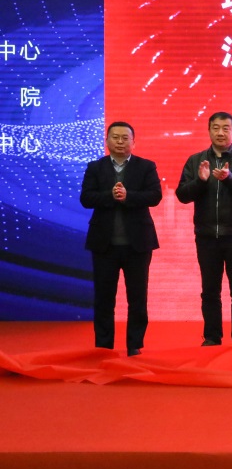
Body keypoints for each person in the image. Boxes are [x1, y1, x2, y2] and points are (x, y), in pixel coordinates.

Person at [175, 112, 232, 346]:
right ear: (209, 131)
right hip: (206, 236)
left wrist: (230, 178)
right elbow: (182, 195)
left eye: (225, 128)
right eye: (215, 128)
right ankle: (212, 336)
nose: (220, 133)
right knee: (210, 290)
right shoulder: (196, 160)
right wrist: (200, 181)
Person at [80, 121, 162, 356]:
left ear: (134, 142)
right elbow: (86, 198)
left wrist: (128, 196)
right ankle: (104, 345)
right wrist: (110, 195)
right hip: (104, 244)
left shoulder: (146, 166)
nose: (119, 141)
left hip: (138, 244)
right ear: (107, 141)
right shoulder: (95, 167)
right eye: (115, 137)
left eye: (125, 137)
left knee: (137, 297)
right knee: (104, 298)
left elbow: (155, 196)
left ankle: (134, 345)